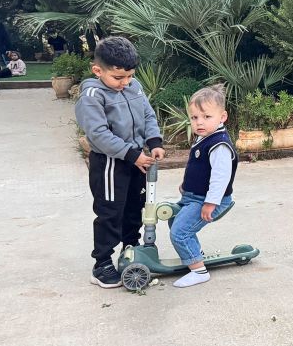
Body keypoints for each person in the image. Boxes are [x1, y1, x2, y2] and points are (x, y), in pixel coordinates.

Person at [75, 37, 165, 288]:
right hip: (110, 164)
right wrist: (131, 154)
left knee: (134, 209)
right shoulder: (92, 95)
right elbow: (98, 134)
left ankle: (131, 250)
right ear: (98, 70)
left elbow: (147, 114)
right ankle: (102, 264)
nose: (125, 83)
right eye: (118, 78)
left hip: (135, 159)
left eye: (129, 76)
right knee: (110, 213)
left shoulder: (134, 86)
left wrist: (155, 141)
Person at [169, 84, 237, 288]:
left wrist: (211, 203)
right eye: (194, 117)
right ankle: (194, 255)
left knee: (180, 232)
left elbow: (220, 177)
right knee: (175, 221)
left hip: (209, 200)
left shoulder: (219, 145)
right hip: (193, 196)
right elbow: (199, 168)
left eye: (206, 117)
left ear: (222, 117)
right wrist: (186, 184)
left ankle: (198, 271)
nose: (199, 122)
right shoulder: (204, 138)